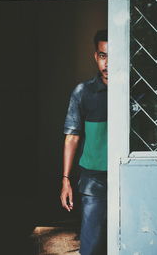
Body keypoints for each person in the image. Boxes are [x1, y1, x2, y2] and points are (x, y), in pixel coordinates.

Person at [60, 29, 108, 255]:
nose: (107, 63)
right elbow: (72, 136)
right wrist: (66, 180)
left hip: (128, 174)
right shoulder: (83, 92)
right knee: (91, 245)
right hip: (93, 178)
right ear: (95, 56)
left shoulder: (135, 92)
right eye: (103, 55)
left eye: (113, 55)